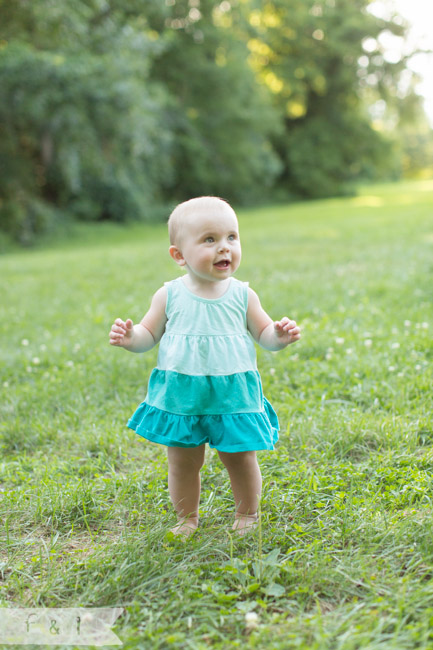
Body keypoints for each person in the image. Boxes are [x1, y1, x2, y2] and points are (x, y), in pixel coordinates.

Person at [109, 196, 300, 538]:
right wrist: (130, 337)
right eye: (209, 240)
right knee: (183, 462)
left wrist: (278, 336)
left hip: (232, 394)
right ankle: (187, 518)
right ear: (179, 255)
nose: (224, 247)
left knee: (240, 458)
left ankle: (247, 514)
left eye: (231, 237)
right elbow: (148, 334)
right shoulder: (168, 295)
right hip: (183, 395)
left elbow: (264, 335)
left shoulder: (243, 295)